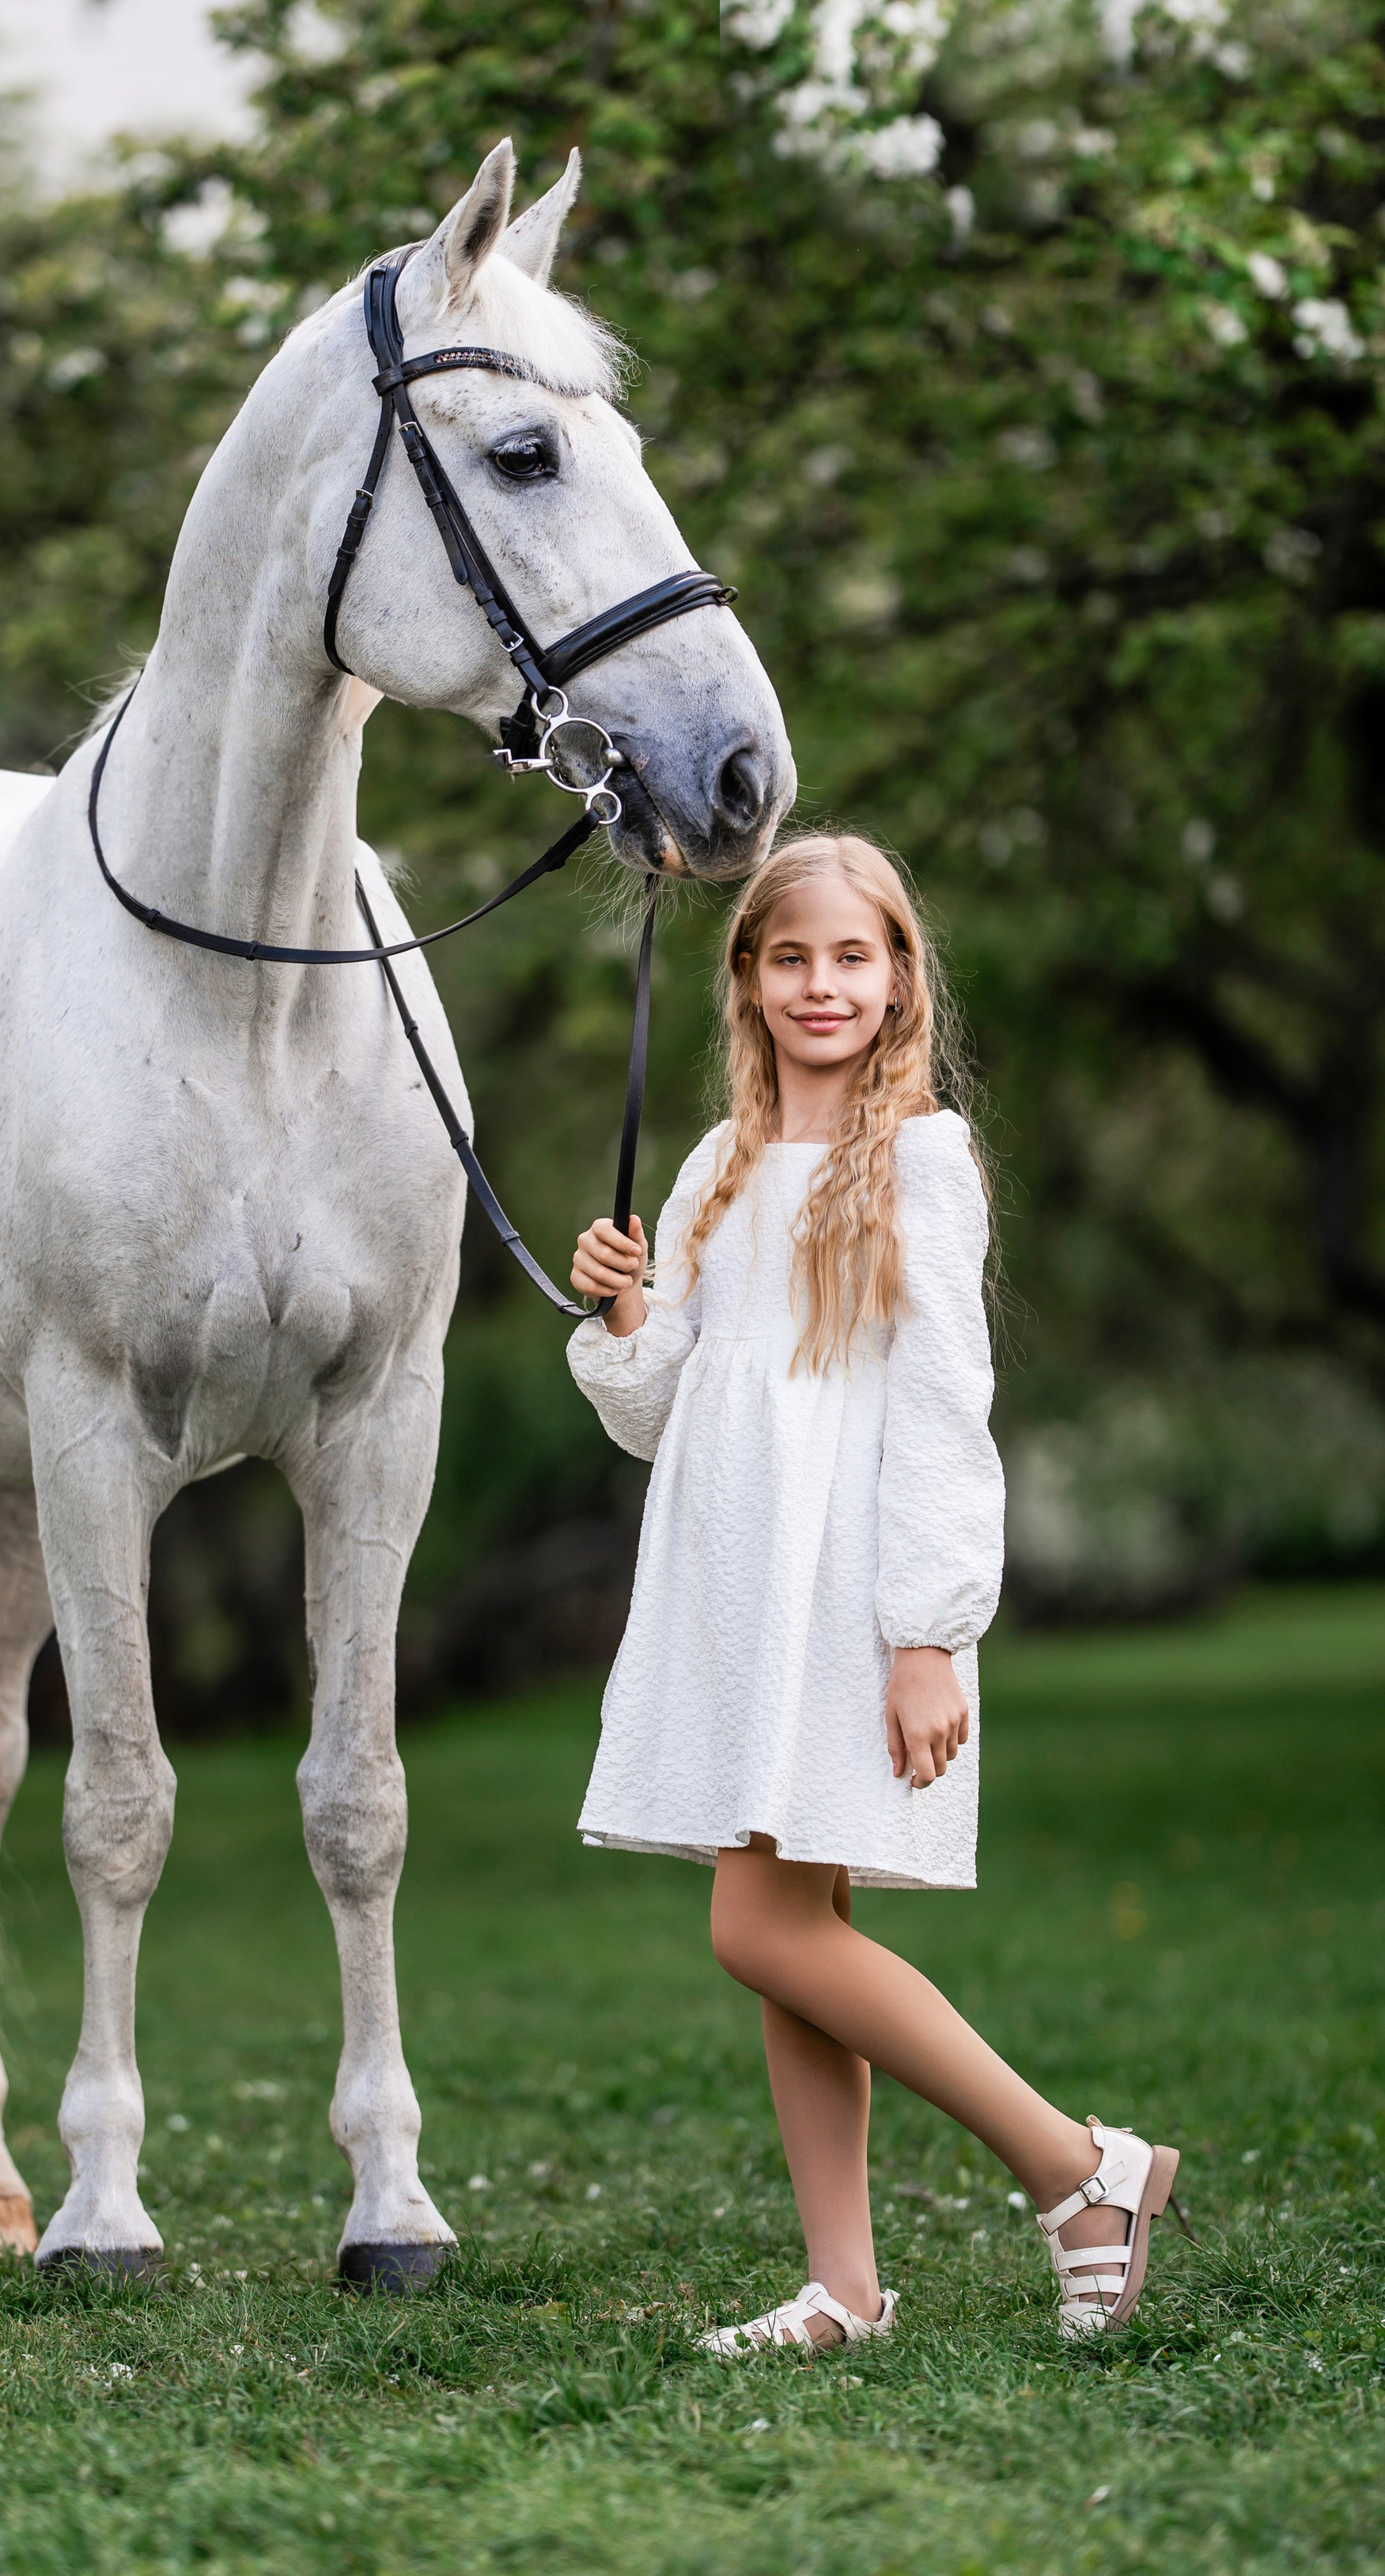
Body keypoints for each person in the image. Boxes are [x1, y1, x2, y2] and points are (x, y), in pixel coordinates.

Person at [566, 834, 1179, 2351]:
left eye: (853, 956)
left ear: (901, 977)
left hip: (846, 1593)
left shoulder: (919, 1159)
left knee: (760, 1929)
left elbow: (939, 1407)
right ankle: (843, 2283)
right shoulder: (713, 1165)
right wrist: (630, 1311)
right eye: (790, 958)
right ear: (749, 980)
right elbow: (659, 1411)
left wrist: (928, 1634)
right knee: (797, 1925)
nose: (820, 984)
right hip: (733, 1589)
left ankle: (1078, 2164)